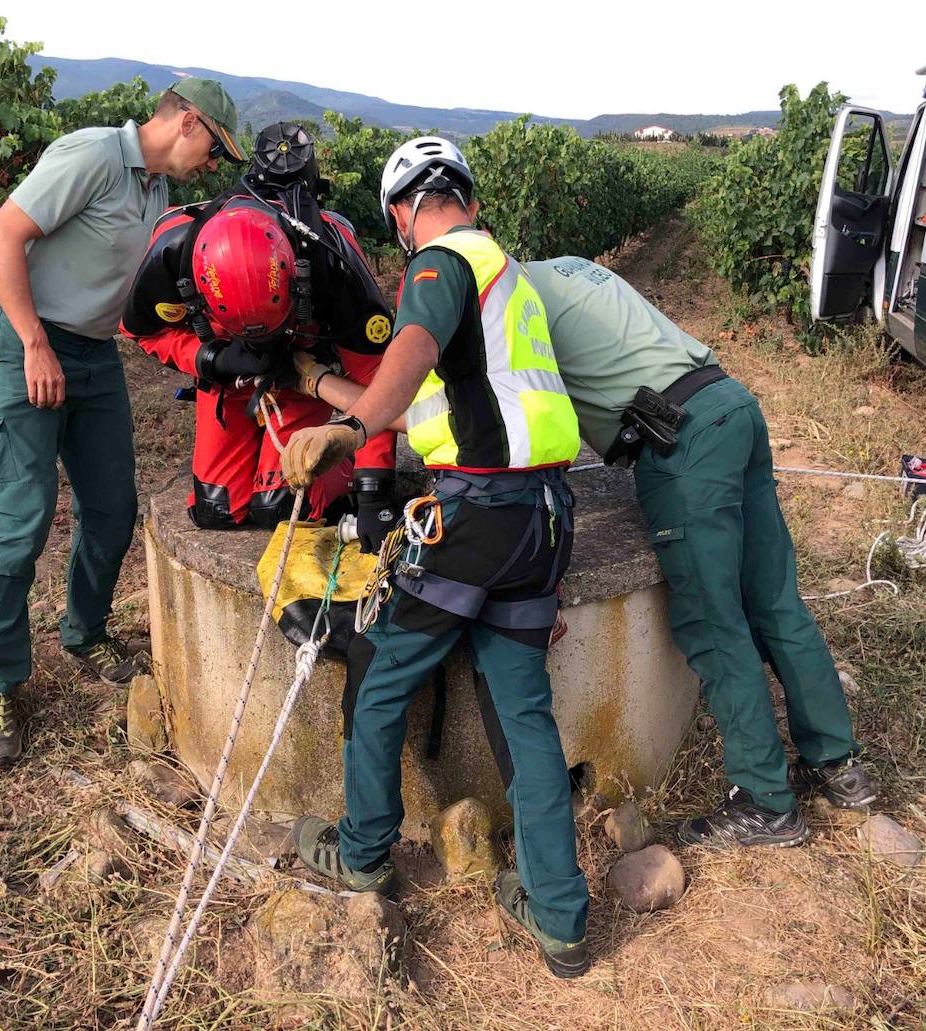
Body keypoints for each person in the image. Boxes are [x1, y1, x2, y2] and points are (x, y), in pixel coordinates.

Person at [304, 253, 876, 846]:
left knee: (712, 618)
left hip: (679, 443)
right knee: (775, 599)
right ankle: (837, 764)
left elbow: (421, 411)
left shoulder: (507, 305)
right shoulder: (571, 269)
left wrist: (319, 387)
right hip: (730, 405)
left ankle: (765, 800)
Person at [278, 137, 592, 979]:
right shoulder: (504, 283)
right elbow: (411, 396)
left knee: (379, 669)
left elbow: (396, 374)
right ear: (470, 196)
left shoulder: (438, 264)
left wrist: (340, 431)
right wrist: (320, 387)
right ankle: (559, 916)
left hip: (478, 516)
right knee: (524, 712)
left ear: (401, 212)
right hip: (544, 520)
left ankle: (365, 850)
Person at [0, 78, 245, 767]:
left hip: (93, 358)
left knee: (114, 510)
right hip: (30, 345)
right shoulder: (93, 156)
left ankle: (84, 630)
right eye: (216, 147)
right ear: (187, 122)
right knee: (22, 519)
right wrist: (32, 341)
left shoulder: (155, 191)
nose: (213, 163)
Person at [121, 123, 397, 546]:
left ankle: (331, 482)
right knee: (215, 509)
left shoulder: (332, 261)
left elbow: (376, 376)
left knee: (282, 506)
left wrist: (374, 489)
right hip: (227, 381)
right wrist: (210, 359)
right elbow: (144, 332)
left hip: (302, 382)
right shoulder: (173, 252)